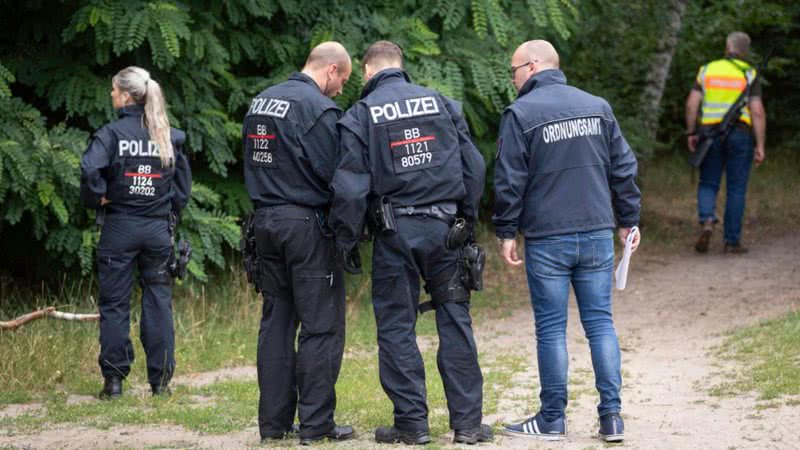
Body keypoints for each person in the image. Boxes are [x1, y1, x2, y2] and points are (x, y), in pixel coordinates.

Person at [329, 40, 492, 445]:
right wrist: (466, 220)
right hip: (446, 231)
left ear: (367, 71)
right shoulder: (442, 102)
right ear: (401, 66)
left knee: (397, 327)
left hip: (395, 233)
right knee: (455, 321)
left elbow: (350, 188)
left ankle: (412, 425)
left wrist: (347, 239)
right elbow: (474, 165)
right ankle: (468, 427)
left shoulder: (361, 114)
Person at [493, 40, 641, 442]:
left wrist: (506, 231)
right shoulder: (598, 107)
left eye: (515, 70)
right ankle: (612, 418)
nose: (513, 79)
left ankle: (552, 419)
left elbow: (510, 179)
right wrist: (627, 220)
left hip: (547, 237)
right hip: (596, 232)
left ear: (534, 65)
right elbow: (624, 167)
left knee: (551, 329)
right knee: (600, 325)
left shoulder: (520, 114)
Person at [242, 41, 354, 446]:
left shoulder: (261, 103)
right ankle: (316, 425)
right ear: (330, 71)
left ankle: (272, 426)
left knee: (276, 322)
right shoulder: (318, 110)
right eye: (342, 80)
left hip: (264, 223)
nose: (341, 90)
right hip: (306, 226)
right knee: (320, 327)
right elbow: (336, 175)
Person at [80, 66, 192, 399]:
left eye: (114, 90)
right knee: (158, 302)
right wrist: (165, 211)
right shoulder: (170, 135)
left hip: (118, 228)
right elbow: (182, 190)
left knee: (115, 305)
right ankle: (161, 384)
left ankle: (114, 384)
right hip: (157, 230)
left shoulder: (112, 134)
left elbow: (89, 169)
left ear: (127, 96)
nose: (112, 95)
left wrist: (97, 196)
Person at [686, 31, 766, 254]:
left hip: (709, 135)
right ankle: (732, 241)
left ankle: (707, 221)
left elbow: (692, 104)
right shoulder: (749, 73)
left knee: (708, 183)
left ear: (726, 46)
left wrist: (691, 132)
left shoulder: (707, 70)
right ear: (745, 51)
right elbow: (757, 111)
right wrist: (760, 145)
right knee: (736, 188)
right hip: (741, 135)